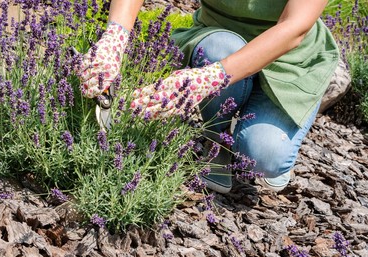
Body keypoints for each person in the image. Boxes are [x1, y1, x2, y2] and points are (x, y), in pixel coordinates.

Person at [78, 0, 339, 194]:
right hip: (220, 38)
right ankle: (216, 133)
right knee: (220, 49)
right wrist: (115, 38)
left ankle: (270, 119)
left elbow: (295, 26)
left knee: (264, 157)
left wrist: (207, 79)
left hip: (290, 58)